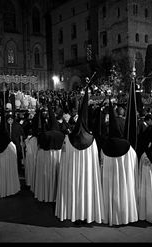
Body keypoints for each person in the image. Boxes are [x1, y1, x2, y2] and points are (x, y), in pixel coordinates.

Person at [55, 87, 104, 224]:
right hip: (87, 175)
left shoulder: (68, 139)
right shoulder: (92, 140)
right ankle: (87, 211)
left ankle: (72, 210)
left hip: (72, 174)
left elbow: (63, 159)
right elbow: (95, 161)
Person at [100, 98, 138, 226]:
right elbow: (133, 162)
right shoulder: (127, 146)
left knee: (111, 193)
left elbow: (101, 164)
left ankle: (109, 215)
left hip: (109, 178)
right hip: (123, 177)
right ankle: (124, 215)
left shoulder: (105, 146)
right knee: (123, 193)